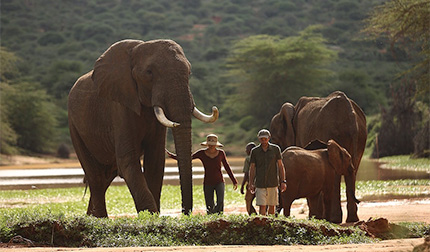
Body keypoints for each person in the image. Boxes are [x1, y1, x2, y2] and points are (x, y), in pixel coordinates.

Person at [167, 134, 238, 214]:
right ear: (207, 144)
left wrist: (234, 180)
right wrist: (173, 156)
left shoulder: (221, 153)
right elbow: (188, 158)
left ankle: (219, 218)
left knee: (220, 201)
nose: (211, 146)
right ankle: (211, 219)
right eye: (210, 144)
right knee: (209, 204)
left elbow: (227, 167)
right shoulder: (201, 153)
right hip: (208, 182)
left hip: (219, 181)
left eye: (213, 145)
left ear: (216, 145)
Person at [248, 129, 286, 215]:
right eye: (262, 139)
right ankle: (263, 225)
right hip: (260, 183)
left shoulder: (276, 149)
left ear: (269, 138)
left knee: (272, 205)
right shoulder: (255, 151)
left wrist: (283, 181)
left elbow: (280, 166)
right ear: (258, 139)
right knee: (262, 205)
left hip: (273, 182)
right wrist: (251, 183)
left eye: (265, 139)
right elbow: (252, 168)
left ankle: (270, 225)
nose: (263, 141)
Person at [240, 142, 257, 215]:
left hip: (251, 183)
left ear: (251, 150)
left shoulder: (248, 158)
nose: (245, 151)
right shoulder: (259, 157)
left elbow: (246, 173)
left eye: (247, 149)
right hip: (261, 183)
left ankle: (253, 216)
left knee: (248, 200)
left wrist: (242, 185)